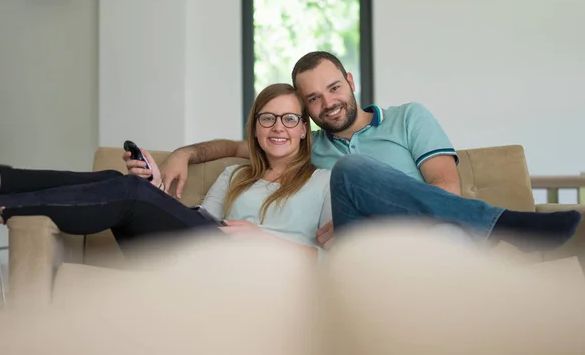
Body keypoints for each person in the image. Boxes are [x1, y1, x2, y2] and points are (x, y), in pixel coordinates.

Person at [154, 51, 581, 253]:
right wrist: (184, 153)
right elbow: (236, 145)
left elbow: (446, 188)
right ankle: (502, 224)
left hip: (425, 231)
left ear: (351, 82)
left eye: (334, 88)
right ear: (307, 114)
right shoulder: (307, 145)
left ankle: (495, 224)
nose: (329, 103)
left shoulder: (409, 117)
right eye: (315, 99)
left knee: (356, 170)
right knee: (348, 170)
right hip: (355, 246)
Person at [0, 84, 331, 261]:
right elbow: (194, 221)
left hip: (253, 269)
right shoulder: (235, 175)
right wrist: (156, 189)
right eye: (267, 118)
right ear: (255, 128)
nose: (278, 128)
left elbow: (336, 259)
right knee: (118, 181)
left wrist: (262, 239)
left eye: (290, 119)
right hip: (201, 255)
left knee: (131, 191)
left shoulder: (325, 182)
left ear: (304, 129)